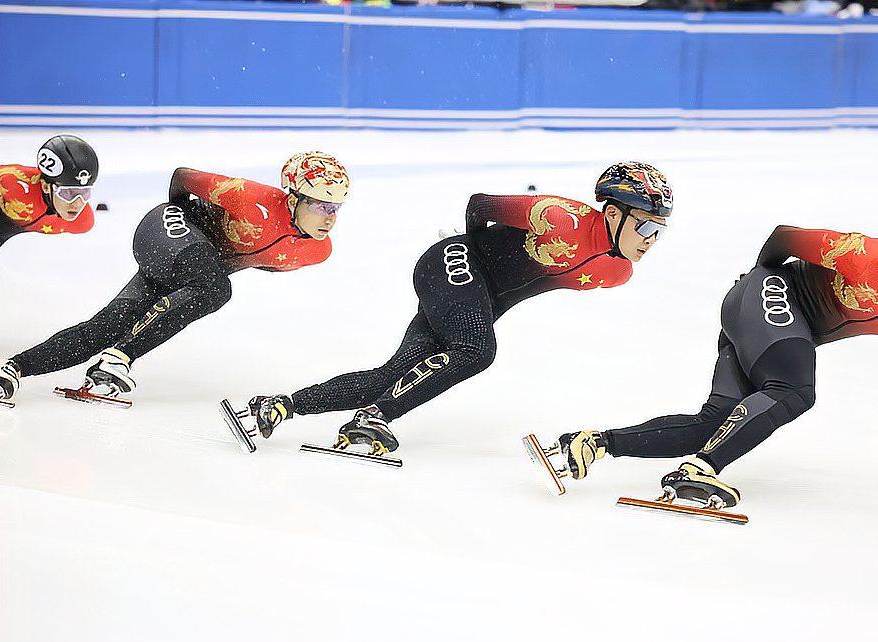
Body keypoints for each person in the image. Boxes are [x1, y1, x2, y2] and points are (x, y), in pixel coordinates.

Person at [556, 199, 878, 507]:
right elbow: (784, 237)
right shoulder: (869, 258)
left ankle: (594, 444)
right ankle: (698, 471)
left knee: (716, 426)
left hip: (776, 327)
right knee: (793, 390)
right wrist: (757, 283)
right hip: (771, 299)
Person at [237, 162, 673, 456]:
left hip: (481, 298)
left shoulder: (618, 273)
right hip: (454, 264)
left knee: (397, 374)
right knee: (477, 349)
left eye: (661, 230)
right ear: (613, 213)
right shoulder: (560, 217)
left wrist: (477, 303)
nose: (652, 238)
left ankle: (279, 406)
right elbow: (479, 205)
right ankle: (375, 418)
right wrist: (472, 251)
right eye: (646, 225)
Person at [0, 152, 349, 403]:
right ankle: (119, 359)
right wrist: (187, 220)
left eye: (335, 208)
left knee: (106, 327)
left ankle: (10, 369)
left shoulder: (317, 251)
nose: (329, 217)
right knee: (216, 289)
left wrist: (198, 262)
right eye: (319, 205)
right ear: (292, 198)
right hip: (170, 227)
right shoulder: (248, 197)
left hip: (193, 266)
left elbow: (261, 262)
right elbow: (181, 178)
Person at [0, 135, 98, 258]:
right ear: (45, 186)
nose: (77, 203)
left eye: (85, 193)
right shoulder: (15, 184)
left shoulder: (83, 221)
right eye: (67, 193)